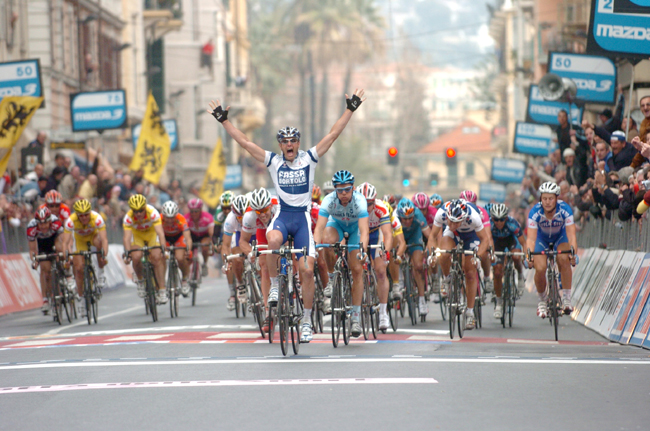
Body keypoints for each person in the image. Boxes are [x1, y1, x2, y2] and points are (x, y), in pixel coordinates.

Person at [208, 88, 365, 343]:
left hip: (302, 218)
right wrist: (224, 121)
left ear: (298, 144)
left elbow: (333, 134)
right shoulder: (273, 161)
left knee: (307, 269)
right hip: (282, 215)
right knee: (271, 242)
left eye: (293, 141)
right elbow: (246, 144)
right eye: (285, 142)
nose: (289, 145)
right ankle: (276, 285)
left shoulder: (309, 159)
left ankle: (305, 320)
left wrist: (350, 109)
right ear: (280, 145)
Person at [315, 170, 369, 338]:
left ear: (353, 188)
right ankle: (331, 279)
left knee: (357, 270)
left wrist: (363, 250)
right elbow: (319, 228)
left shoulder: (360, 201)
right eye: (340, 190)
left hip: (354, 231)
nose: (343, 193)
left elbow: (364, 230)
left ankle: (355, 316)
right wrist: (316, 247)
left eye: (347, 189)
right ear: (335, 190)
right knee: (326, 240)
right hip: (336, 226)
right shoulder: (329, 201)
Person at [427, 199, 490, 330]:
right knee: (443, 254)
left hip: (471, 235)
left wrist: (477, 257)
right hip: (452, 234)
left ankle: (470, 313)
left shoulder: (474, 217)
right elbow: (432, 236)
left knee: (470, 273)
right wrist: (432, 254)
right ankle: (446, 279)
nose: (451, 223)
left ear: (463, 218)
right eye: (450, 220)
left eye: (455, 222)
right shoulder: (442, 213)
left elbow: (485, 240)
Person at [526, 182, 578, 319]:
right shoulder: (535, 212)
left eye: (551, 199)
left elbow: (572, 235)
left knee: (563, 258)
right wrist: (529, 255)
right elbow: (531, 239)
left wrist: (573, 254)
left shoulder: (565, 209)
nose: (547, 202)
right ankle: (542, 300)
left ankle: (566, 298)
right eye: (544, 199)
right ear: (540, 199)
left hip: (560, 238)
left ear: (556, 198)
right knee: (541, 267)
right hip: (541, 240)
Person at [239, 188, 279, 332]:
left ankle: (293, 283)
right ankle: (268, 312)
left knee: (285, 252)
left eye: (264, 210)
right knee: (264, 265)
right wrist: (250, 253)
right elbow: (243, 241)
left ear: (270, 206)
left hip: (280, 226)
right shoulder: (249, 215)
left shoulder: (278, 206)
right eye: (258, 212)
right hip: (262, 231)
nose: (262, 214)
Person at [357, 182, 393, 329]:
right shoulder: (354, 207)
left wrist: (386, 251)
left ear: (375, 200)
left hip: (375, 236)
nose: (366, 207)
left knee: (381, 271)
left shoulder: (381, 208)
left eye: (369, 203)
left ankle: (383, 313)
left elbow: (387, 234)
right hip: (359, 235)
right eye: (363, 203)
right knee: (356, 269)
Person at [62, 199, 109, 314]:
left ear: (90, 212)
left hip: (93, 237)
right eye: (81, 216)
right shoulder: (70, 221)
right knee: (78, 269)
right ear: (76, 215)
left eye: (86, 215)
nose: (84, 218)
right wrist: (67, 258)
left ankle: (101, 272)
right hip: (80, 242)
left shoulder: (97, 218)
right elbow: (65, 242)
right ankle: (82, 298)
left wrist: (104, 255)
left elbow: (104, 239)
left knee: (99, 244)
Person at [122, 194, 168, 304]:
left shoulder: (152, 212)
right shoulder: (128, 217)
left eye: (141, 210)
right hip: (138, 237)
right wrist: (128, 253)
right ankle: (141, 281)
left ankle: (162, 290)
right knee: (136, 256)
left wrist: (163, 249)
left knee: (157, 258)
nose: (138, 214)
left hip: (152, 235)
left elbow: (160, 233)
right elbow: (127, 237)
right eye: (135, 211)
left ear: (145, 207)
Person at [489, 203, 527, 319]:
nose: (499, 222)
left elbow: (523, 243)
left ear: (506, 218)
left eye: (501, 220)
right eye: (496, 219)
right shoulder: (489, 225)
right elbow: (487, 242)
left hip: (511, 241)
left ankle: (520, 275)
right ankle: (499, 303)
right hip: (496, 243)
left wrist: (525, 255)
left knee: (516, 257)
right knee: (497, 272)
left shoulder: (512, 224)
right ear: (492, 218)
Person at [394, 198, 431, 316]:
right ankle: (399, 280)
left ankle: (421, 300)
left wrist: (429, 249)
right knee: (396, 256)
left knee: (418, 266)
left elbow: (429, 235)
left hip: (415, 236)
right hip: (400, 235)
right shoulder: (394, 216)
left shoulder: (418, 215)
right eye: (405, 219)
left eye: (410, 218)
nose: (408, 221)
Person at [27, 207, 64, 314]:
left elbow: (63, 240)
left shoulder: (56, 222)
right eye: (40, 224)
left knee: (60, 250)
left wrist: (64, 256)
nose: (43, 226)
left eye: (45, 223)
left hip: (54, 239)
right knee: (45, 271)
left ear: (50, 221)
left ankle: (65, 273)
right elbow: (33, 249)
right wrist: (34, 260)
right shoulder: (31, 227)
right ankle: (46, 300)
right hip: (42, 244)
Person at [221, 194, 250, 310]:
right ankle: (240, 283)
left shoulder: (254, 214)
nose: (242, 219)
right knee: (236, 259)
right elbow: (226, 245)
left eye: (244, 215)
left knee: (262, 259)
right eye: (239, 217)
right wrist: (227, 262)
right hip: (240, 236)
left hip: (255, 233)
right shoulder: (230, 219)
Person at [161, 201, 192, 297]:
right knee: (161, 256)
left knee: (180, 257)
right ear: (163, 215)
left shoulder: (181, 219)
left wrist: (188, 250)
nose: (170, 220)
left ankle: (185, 279)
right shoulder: (159, 219)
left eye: (172, 217)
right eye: (167, 218)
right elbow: (155, 235)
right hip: (164, 238)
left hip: (178, 238)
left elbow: (188, 238)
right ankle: (162, 283)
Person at [184, 198, 214, 277]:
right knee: (188, 253)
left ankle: (204, 263)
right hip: (192, 236)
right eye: (192, 211)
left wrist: (213, 244)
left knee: (205, 246)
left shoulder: (208, 217)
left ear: (200, 209)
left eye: (196, 211)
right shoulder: (186, 218)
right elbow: (183, 234)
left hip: (204, 236)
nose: (194, 213)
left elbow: (211, 233)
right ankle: (188, 273)